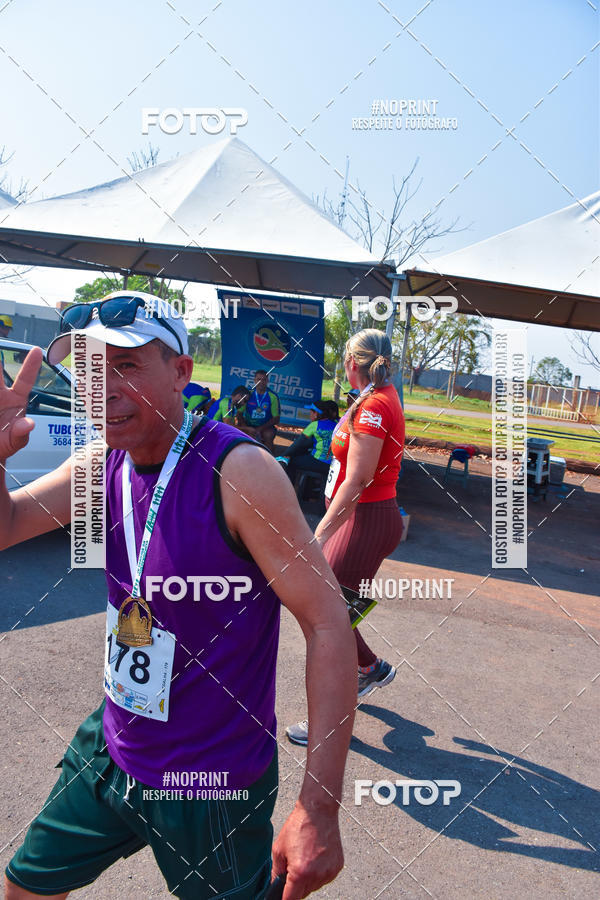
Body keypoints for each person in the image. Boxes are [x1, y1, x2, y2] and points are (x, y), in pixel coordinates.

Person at [1, 291, 357, 900]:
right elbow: (5, 526)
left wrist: (318, 808)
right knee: (24, 890)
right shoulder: (101, 465)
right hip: (112, 748)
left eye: (127, 365)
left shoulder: (239, 474)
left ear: (182, 373)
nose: (102, 387)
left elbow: (328, 625)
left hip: (209, 782)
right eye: (88, 368)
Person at [286, 329, 405, 747]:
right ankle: (369, 667)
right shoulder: (372, 396)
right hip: (363, 518)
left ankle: (331, 720)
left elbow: (357, 480)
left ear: (351, 362)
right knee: (329, 611)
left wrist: (319, 533)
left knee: (326, 617)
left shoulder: (374, 404)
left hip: (365, 519)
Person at [277, 401, 336, 488]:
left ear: (316, 414)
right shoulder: (336, 424)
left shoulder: (315, 425)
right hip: (332, 464)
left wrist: (284, 455)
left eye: (311, 412)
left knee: (292, 461)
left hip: (319, 461)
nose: (310, 415)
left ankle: (289, 490)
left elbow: (298, 444)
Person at [238, 369, 280, 452]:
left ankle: (269, 459)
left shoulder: (273, 396)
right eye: (258, 379)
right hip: (248, 424)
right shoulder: (248, 394)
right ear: (254, 380)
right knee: (245, 434)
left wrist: (260, 428)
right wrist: (246, 427)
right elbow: (239, 413)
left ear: (267, 381)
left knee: (268, 435)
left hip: (265, 426)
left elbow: (276, 419)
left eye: (264, 379)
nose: (261, 382)